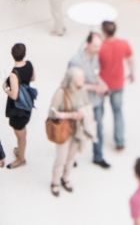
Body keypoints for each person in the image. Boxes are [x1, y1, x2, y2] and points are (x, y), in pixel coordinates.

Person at [47, 66, 96, 197]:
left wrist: (84, 114)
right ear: (72, 79)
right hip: (64, 131)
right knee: (61, 159)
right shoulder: (61, 93)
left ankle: (65, 178)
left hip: (77, 131)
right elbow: (52, 113)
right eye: (81, 78)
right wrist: (72, 115)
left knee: (71, 158)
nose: (83, 79)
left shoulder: (82, 91)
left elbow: (88, 107)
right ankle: (55, 182)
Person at [69, 31, 112, 169]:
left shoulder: (95, 57)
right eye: (95, 46)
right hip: (81, 103)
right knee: (76, 130)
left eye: (99, 46)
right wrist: (95, 88)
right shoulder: (76, 61)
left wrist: (102, 84)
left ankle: (98, 156)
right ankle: (71, 156)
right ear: (87, 44)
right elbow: (74, 85)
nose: (98, 50)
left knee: (98, 129)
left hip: (96, 102)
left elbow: (96, 74)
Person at [97, 20, 134, 155]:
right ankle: (119, 142)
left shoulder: (100, 47)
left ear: (103, 31)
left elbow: (94, 66)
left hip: (102, 86)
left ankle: (97, 137)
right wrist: (132, 73)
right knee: (118, 112)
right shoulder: (124, 44)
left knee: (99, 112)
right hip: (118, 84)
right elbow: (130, 59)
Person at [3, 43, 35, 168]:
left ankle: (21, 158)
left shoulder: (14, 74)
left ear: (12, 56)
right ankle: (20, 150)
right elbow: (33, 78)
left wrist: (6, 89)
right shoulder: (29, 64)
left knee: (20, 133)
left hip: (18, 109)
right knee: (22, 131)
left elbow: (14, 95)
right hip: (27, 103)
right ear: (24, 54)